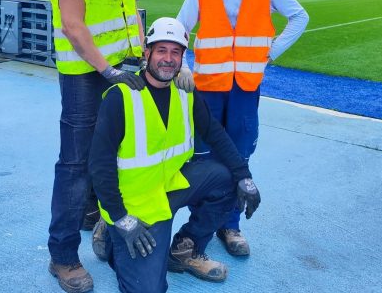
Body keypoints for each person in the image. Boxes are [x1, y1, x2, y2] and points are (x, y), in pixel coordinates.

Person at [89, 17, 261, 293]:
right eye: (161, 51)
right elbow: (99, 165)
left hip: (169, 188)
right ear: (147, 53)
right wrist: (120, 217)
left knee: (227, 178)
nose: (168, 59)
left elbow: (216, 134)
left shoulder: (185, 94)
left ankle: (185, 249)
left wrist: (245, 176)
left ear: (183, 57)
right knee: (149, 289)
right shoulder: (121, 97)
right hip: (135, 208)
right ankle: (111, 237)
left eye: (175, 52)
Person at [175, 0, 309, 257]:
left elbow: (300, 16)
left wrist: (271, 52)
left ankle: (230, 225)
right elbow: (179, 27)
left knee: (240, 155)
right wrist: (184, 66)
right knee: (204, 158)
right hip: (207, 89)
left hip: (246, 88)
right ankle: (202, 223)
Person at [48, 0, 146, 293]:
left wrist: (140, 58)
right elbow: (74, 27)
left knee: (112, 156)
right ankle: (63, 257)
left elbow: (133, 14)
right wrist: (108, 70)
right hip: (87, 77)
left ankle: (99, 219)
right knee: (74, 164)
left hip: (119, 71)